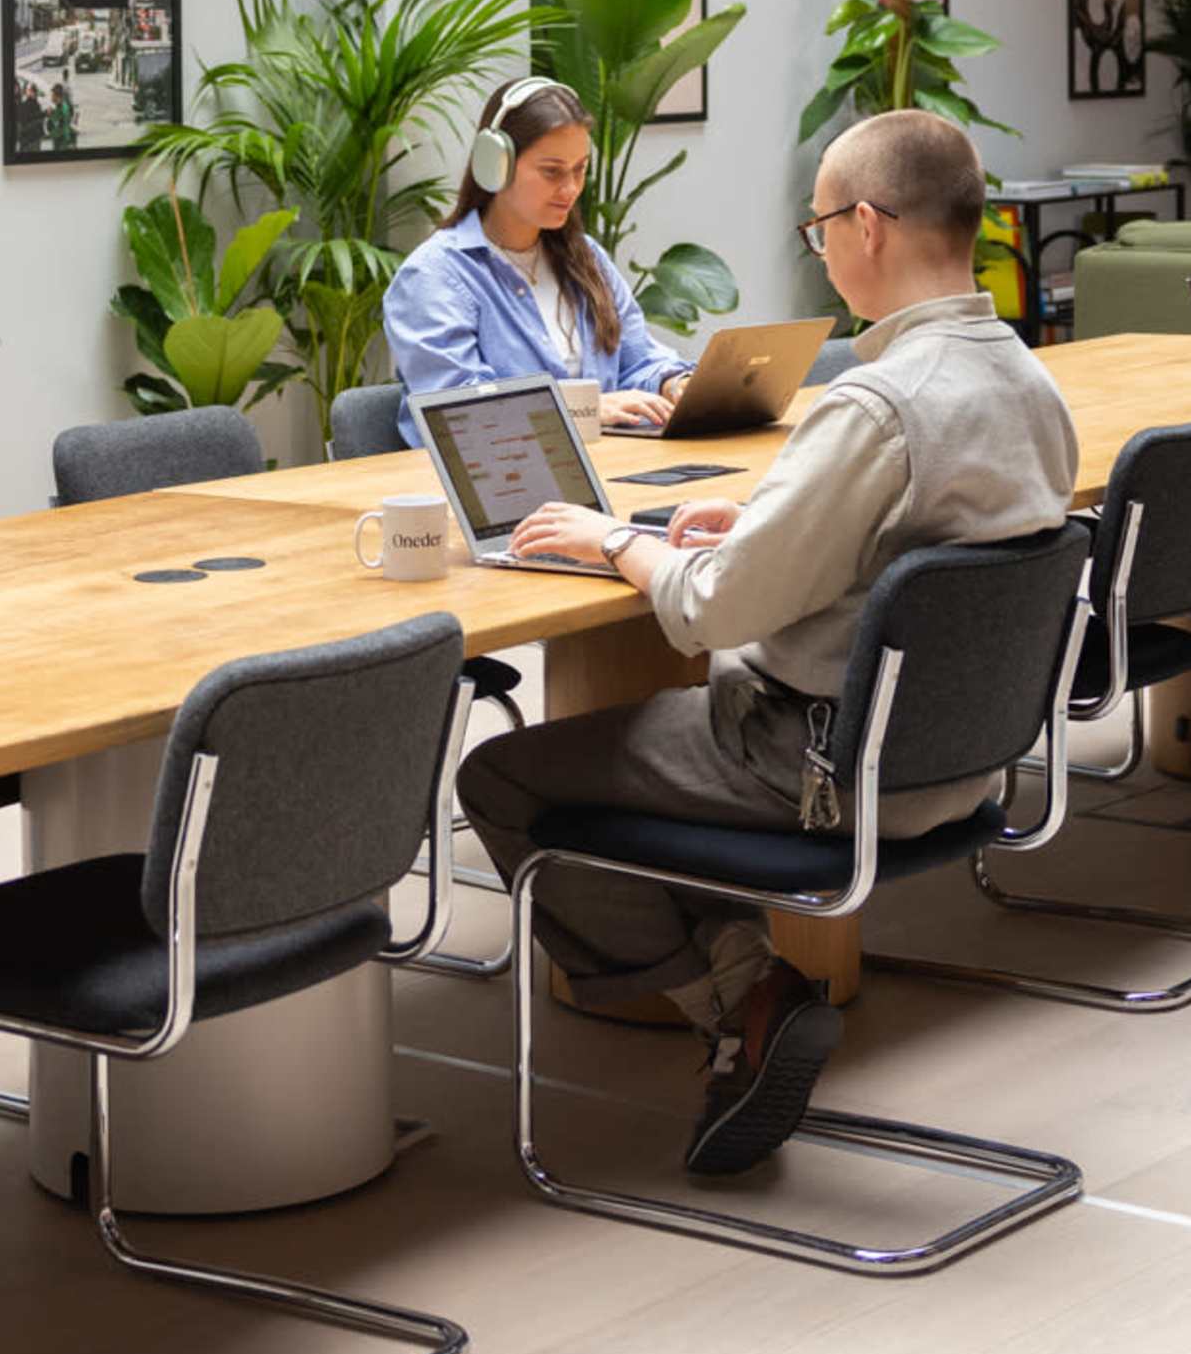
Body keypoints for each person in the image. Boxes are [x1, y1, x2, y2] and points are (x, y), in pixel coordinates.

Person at [454, 112, 1077, 1177]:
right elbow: (923, 548)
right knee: (637, 756)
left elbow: (706, 615)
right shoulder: (1032, 382)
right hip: (960, 760)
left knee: (506, 776)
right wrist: (759, 528)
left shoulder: (877, 403)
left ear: (869, 226)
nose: (822, 245)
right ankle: (753, 989)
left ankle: (738, 998)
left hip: (816, 762)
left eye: (822, 224)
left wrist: (614, 540)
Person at [381, 78, 695, 443]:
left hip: (602, 471)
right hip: (494, 485)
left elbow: (638, 361)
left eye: (580, 169)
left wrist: (675, 383)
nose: (570, 189)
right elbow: (460, 413)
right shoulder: (434, 276)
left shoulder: (588, 258)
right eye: (552, 171)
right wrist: (589, 408)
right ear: (494, 165)